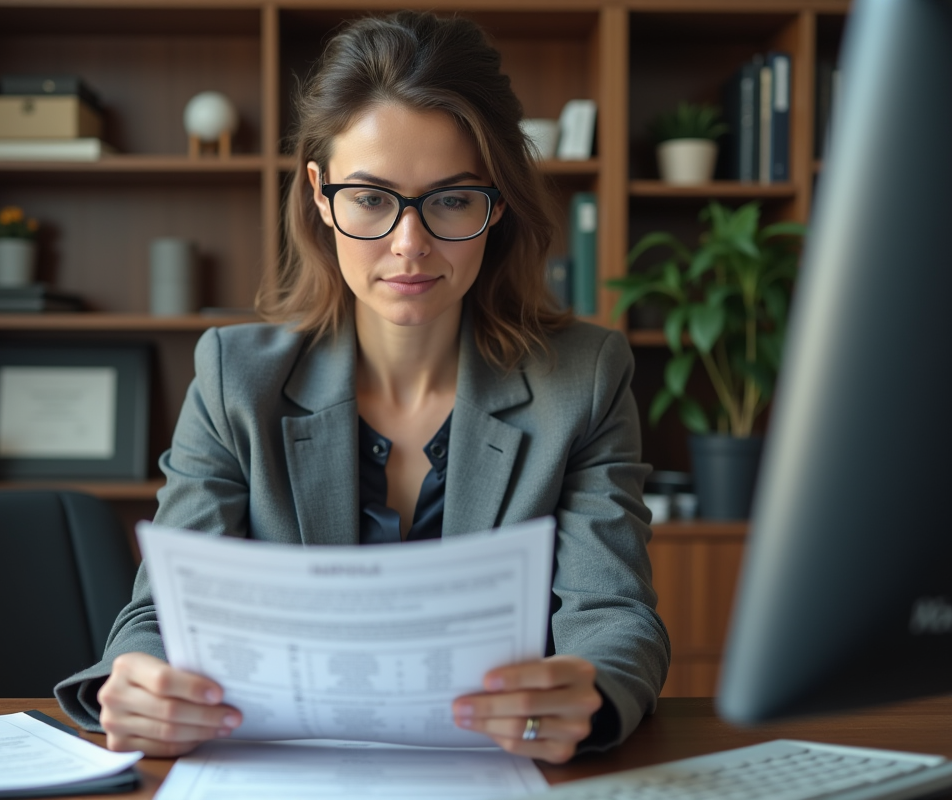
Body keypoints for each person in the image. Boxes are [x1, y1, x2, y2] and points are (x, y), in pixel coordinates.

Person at [55, 11, 669, 765]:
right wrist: (138, 681)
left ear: (497, 202)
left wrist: (593, 693)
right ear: (320, 194)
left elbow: (613, 613)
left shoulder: (585, 376)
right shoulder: (234, 378)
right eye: (372, 199)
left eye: (450, 200)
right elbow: (158, 615)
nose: (409, 245)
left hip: (500, 772)